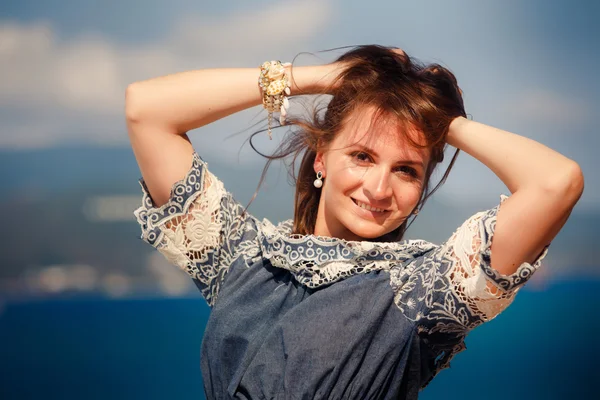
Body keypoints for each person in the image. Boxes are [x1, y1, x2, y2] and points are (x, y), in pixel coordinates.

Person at [126, 45, 584, 399]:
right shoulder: (243, 260)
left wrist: (440, 118)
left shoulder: (422, 291)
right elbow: (146, 110)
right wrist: (329, 79)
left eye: (407, 169)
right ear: (321, 158)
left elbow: (555, 182)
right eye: (363, 156)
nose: (380, 189)